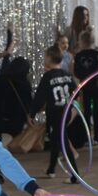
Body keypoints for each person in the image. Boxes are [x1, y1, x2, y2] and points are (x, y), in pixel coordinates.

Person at [31, 47, 78, 182]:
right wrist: (69, 102)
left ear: (50, 59)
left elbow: (39, 98)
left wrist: (32, 113)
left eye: (46, 56)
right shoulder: (67, 74)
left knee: (62, 141)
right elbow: (76, 92)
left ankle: (75, 175)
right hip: (66, 112)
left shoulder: (48, 77)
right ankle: (51, 169)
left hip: (56, 114)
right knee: (55, 139)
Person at [0, 56, 32, 142]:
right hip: (17, 120)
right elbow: (28, 102)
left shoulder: (1, 80)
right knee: (15, 141)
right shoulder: (25, 84)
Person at [72, 30, 98, 145]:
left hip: (85, 86)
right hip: (96, 86)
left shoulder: (78, 56)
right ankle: (97, 136)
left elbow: (76, 72)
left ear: (81, 41)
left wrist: (82, 77)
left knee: (87, 111)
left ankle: (87, 136)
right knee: (97, 110)